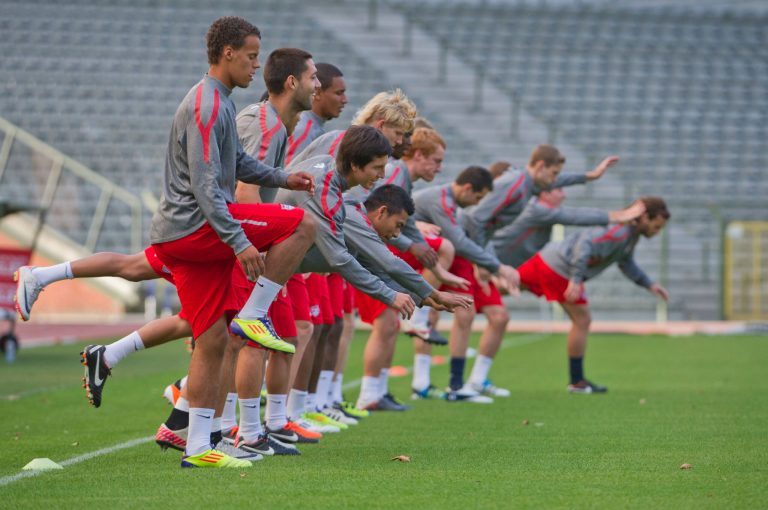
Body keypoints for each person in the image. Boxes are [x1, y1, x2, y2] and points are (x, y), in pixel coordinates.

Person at [147, 16, 316, 469]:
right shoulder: (207, 104)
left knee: (213, 338)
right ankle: (256, 313)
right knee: (302, 226)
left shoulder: (219, 101)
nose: (255, 65)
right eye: (251, 55)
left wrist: (284, 177)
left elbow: (237, 161)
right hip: (193, 227)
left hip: (186, 228)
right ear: (227, 54)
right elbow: (206, 184)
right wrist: (240, 242)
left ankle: (199, 447)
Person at [232, 47, 322, 455]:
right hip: (235, 237)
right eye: (314, 78)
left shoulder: (277, 126)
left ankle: (262, 427)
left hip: (248, 237)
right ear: (292, 82)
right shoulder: (264, 123)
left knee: (282, 333)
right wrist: (250, 246)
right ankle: (223, 429)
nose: (317, 86)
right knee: (237, 338)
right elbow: (244, 191)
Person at [517, 196, 670, 393]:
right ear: (644, 218)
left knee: (499, 288)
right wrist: (576, 278)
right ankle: (577, 381)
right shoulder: (619, 232)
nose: (656, 232)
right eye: (656, 226)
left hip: (548, 259)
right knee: (582, 320)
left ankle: (465, 303)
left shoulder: (628, 234)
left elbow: (625, 262)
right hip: (561, 269)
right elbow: (585, 244)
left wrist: (649, 284)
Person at [411, 166, 519, 402]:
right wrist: (497, 268)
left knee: (489, 315)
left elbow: (478, 238)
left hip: (465, 259)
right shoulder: (442, 200)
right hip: (443, 255)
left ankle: (463, 383)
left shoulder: (461, 207)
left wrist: (490, 268)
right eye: (480, 196)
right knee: (450, 315)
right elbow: (460, 240)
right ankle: (436, 384)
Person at [491, 187, 646, 268]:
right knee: (480, 310)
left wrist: (590, 175)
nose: (564, 195)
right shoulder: (539, 210)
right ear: (545, 194)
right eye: (559, 190)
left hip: (494, 265)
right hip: (485, 262)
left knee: (497, 314)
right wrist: (617, 216)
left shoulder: (539, 209)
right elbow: (575, 216)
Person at [285, 63, 347, 165]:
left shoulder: (313, 127)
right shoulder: (304, 129)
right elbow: (289, 172)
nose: (345, 100)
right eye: (339, 93)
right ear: (317, 93)